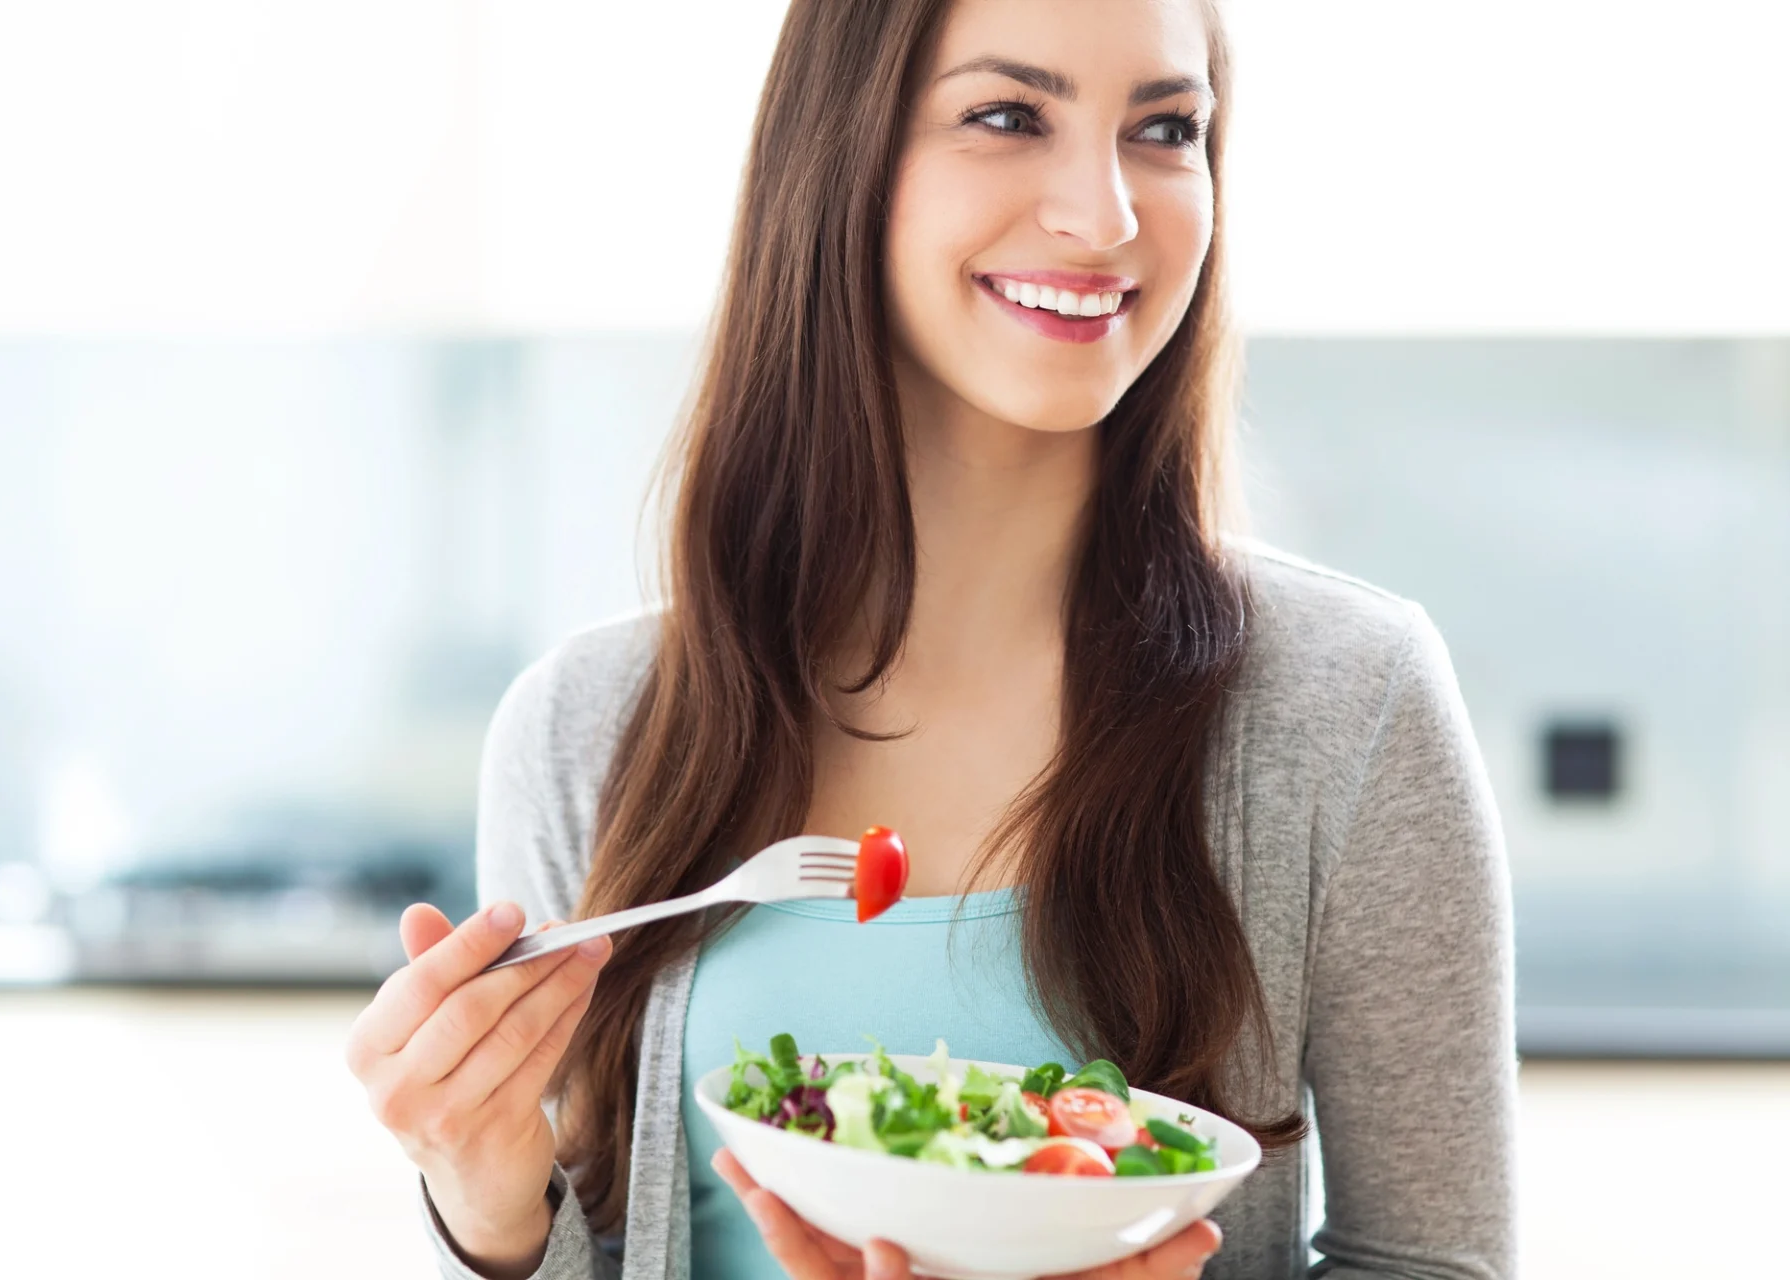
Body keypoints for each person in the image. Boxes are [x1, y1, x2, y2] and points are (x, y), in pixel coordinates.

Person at [343, 0, 1518, 1276]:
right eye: (1008, 115)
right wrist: (489, 1205)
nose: (1107, 211)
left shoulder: (1352, 707)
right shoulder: (588, 727)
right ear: (839, 153)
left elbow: (1438, 1261)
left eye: (1165, 128)